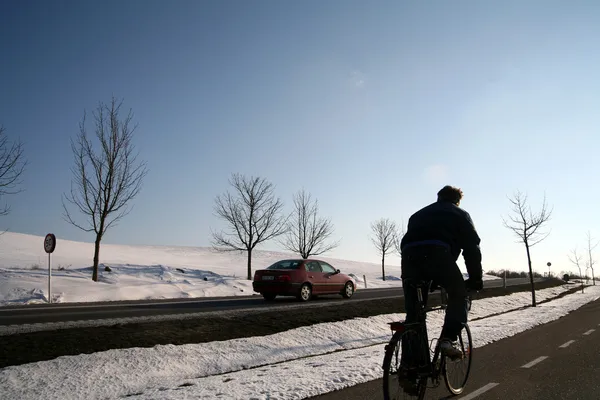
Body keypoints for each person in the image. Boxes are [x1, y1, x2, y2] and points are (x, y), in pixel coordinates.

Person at [397, 185, 483, 394]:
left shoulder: (417, 215)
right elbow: (471, 249)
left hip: (409, 260)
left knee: (414, 315)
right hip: (437, 255)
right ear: (457, 201)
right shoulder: (460, 214)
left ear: (438, 198)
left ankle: (410, 368)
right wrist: (475, 279)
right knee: (458, 295)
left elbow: (411, 242)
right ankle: (448, 339)